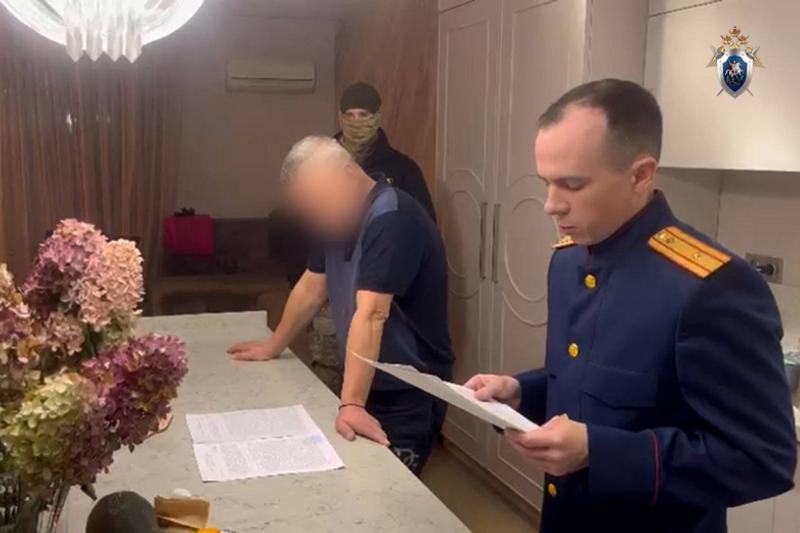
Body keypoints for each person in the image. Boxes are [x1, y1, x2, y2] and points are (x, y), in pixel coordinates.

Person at [465, 79, 796, 532]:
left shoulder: (712, 286)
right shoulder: (568, 261)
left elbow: (763, 458)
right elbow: (597, 382)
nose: (550, 205)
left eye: (572, 184)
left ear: (641, 175)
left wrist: (599, 452)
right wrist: (522, 393)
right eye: (546, 183)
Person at [228, 136, 453, 475]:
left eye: (318, 204)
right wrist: (273, 345)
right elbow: (311, 287)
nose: (315, 218)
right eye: (308, 211)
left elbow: (372, 314)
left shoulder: (392, 217)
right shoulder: (335, 219)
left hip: (408, 392)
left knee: (389, 492)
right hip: (368, 381)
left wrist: (352, 403)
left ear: (347, 174)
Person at [336, 82, 436, 222]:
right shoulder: (324, 164)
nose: (356, 121)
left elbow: (424, 223)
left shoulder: (404, 169)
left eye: (363, 115)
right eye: (350, 115)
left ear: (377, 117)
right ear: (341, 118)